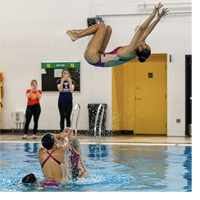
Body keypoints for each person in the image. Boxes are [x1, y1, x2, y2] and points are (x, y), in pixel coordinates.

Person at [67, 2, 169, 67]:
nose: (144, 41)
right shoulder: (134, 51)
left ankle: (77, 36)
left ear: (141, 49)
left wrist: (153, 13)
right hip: (100, 55)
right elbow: (147, 32)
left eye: (145, 44)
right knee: (108, 29)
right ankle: (81, 32)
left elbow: (141, 29)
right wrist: (158, 18)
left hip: (93, 57)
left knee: (102, 26)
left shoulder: (130, 50)